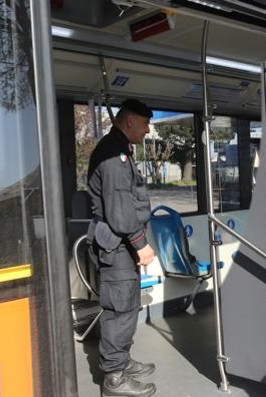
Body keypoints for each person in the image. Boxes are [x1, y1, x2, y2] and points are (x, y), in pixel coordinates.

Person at [87, 99, 158, 397]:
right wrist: (141, 245)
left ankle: (122, 361)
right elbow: (119, 210)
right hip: (117, 245)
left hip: (121, 245)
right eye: (144, 123)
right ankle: (114, 377)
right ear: (129, 120)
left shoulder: (121, 149)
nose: (146, 129)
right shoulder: (113, 154)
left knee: (128, 305)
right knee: (119, 310)